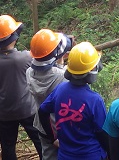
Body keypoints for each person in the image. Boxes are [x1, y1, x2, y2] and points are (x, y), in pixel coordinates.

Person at [39, 41, 108, 160]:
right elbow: (103, 133)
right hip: (91, 155)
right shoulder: (94, 100)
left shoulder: (60, 89)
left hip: (65, 155)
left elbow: (42, 111)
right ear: (91, 70)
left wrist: (53, 138)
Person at [0, 14, 42, 160]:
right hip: (27, 109)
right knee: (40, 141)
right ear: (14, 37)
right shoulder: (25, 57)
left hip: (4, 112)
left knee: (8, 146)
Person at [26, 29, 73, 160]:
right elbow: (65, 74)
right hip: (62, 126)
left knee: (48, 155)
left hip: (43, 126)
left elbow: (47, 69)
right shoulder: (62, 76)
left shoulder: (29, 72)